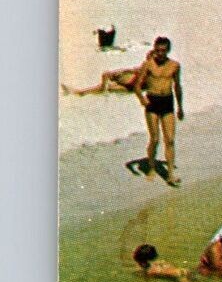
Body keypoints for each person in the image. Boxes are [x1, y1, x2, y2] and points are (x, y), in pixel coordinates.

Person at [133, 37, 183, 186]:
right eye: (158, 50)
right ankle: (151, 167)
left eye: (163, 50)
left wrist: (180, 107)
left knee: (170, 140)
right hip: (152, 102)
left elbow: (177, 87)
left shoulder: (174, 65)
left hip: (167, 102)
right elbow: (137, 85)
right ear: (154, 49)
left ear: (168, 50)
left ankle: (170, 175)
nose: (160, 53)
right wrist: (142, 99)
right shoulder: (148, 64)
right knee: (155, 139)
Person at [64, 65, 140, 96]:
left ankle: (81, 92)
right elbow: (135, 70)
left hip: (132, 85)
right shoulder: (127, 74)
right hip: (131, 82)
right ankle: (81, 92)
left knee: (109, 87)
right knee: (107, 85)